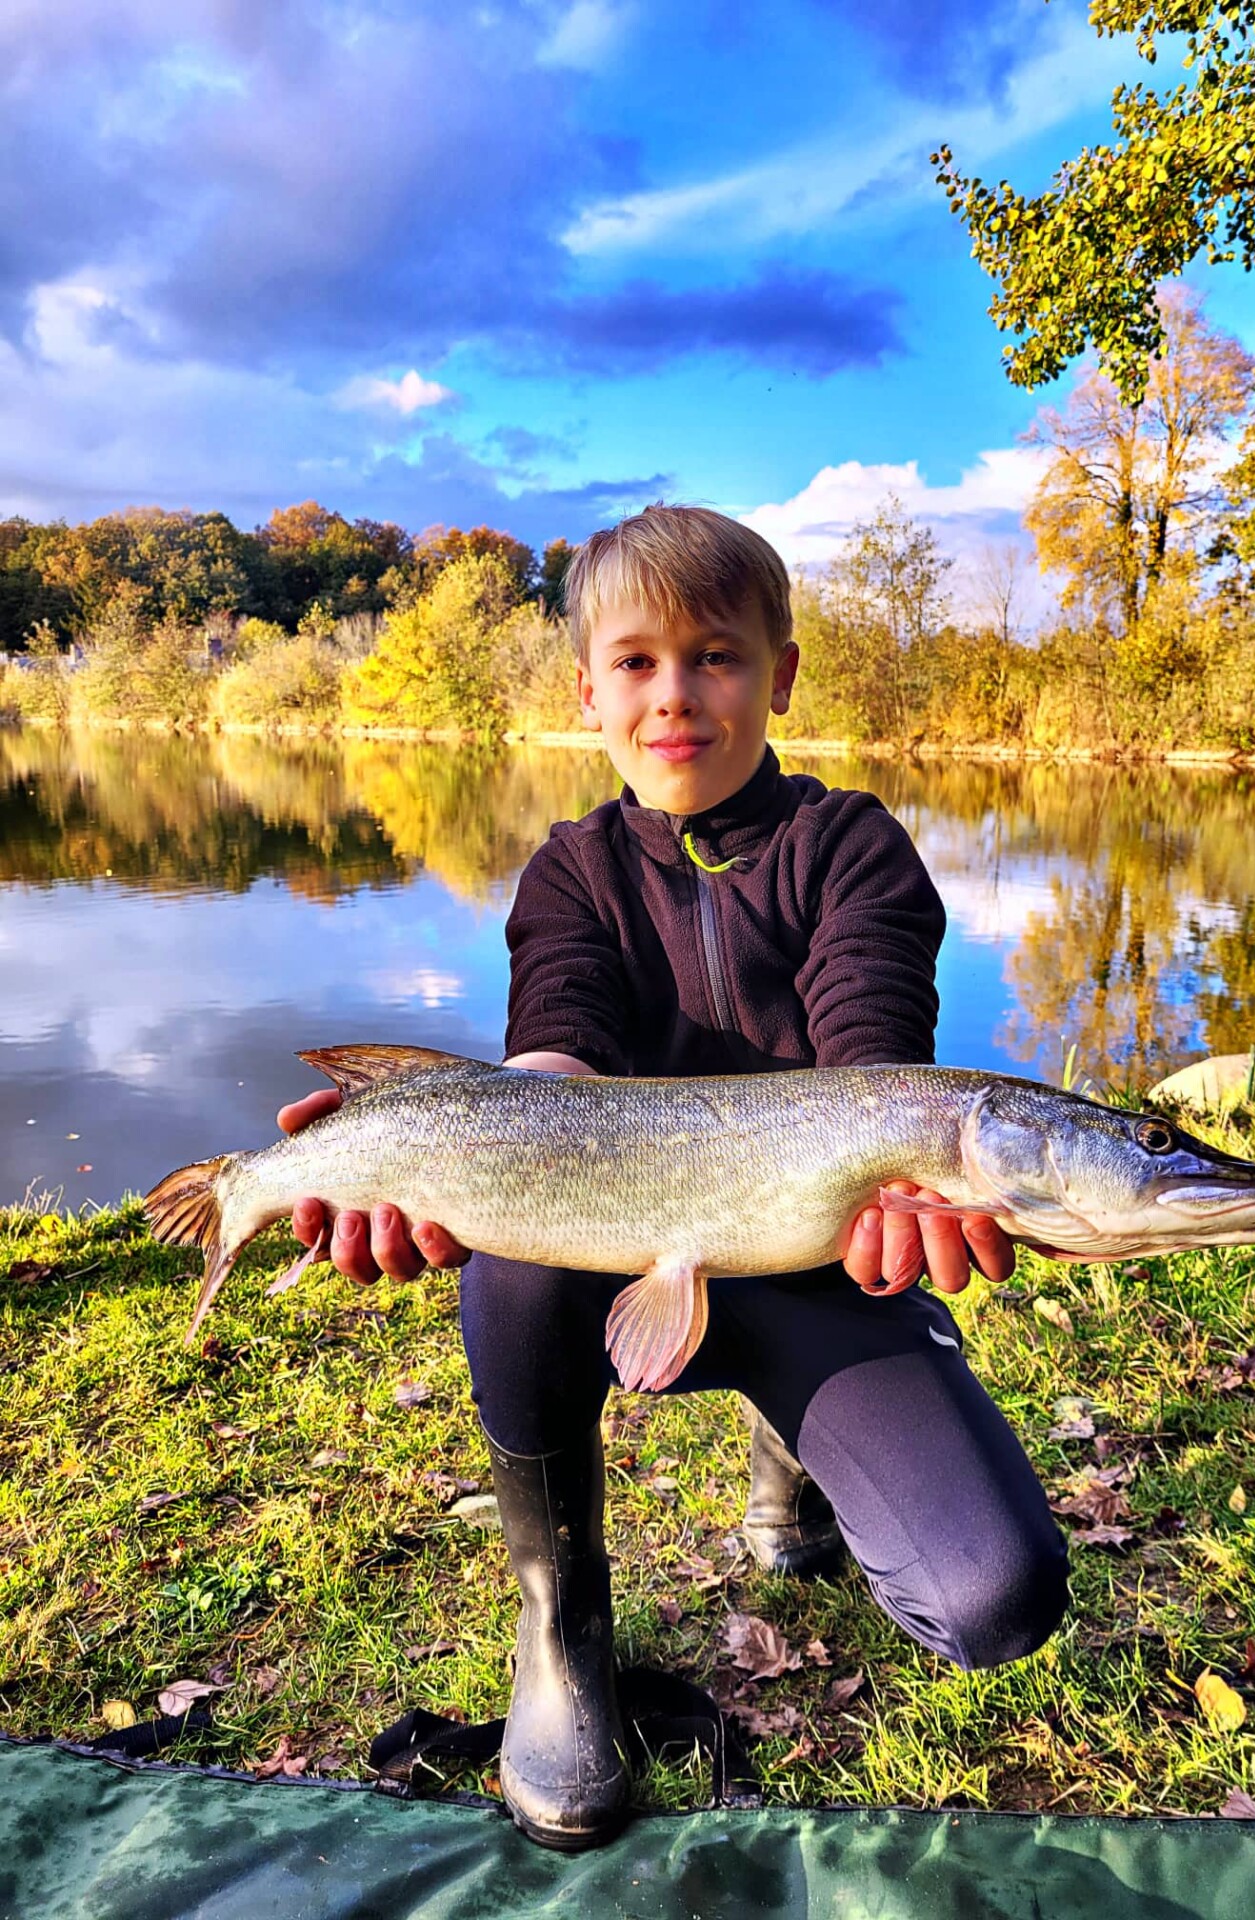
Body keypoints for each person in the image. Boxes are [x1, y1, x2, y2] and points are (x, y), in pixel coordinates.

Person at [279, 505, 1069, 1852]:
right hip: (607, 1257)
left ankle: (792, 1463)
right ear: (589, 689)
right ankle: (560, 1625)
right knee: (517, 1262)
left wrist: (912, 1193)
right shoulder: (570, 873)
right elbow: (555, 1056)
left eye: (716, 656)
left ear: (780, 675)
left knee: (990, 1596)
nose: (676, 695)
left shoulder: (854, 847)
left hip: (818, 1261)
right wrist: (428, 1142)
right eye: (636, 663)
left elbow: (873, 1061)